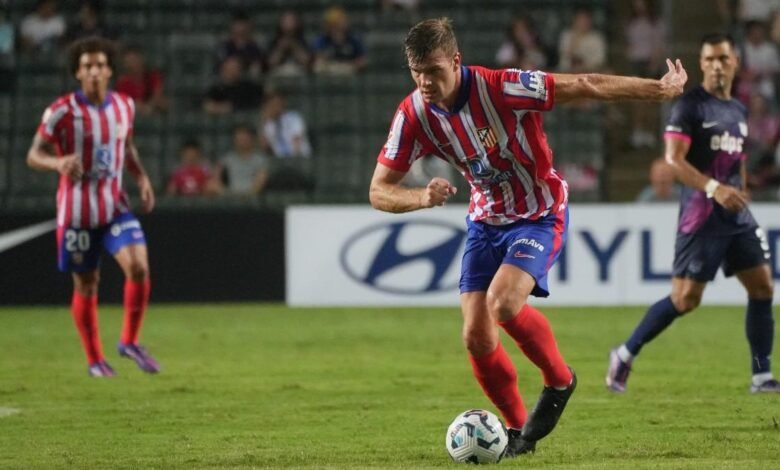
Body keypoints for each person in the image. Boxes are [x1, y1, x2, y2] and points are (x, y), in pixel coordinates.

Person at [369, 17, 687, 457]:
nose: (425, 82)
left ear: (457, 62)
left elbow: (586, 84)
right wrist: (420, 197)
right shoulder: (414, 114)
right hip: (485, 222)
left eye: (435, 71)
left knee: (503, 303)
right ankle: (519, 433)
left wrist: (658, 89)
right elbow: (379, 190)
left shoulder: (502, 87)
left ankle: (560, 379)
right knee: (475, 337)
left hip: (539, 213)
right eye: (417, 72)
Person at [606, 33, 779, 394]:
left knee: (762, 286)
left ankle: (762, 376)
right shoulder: (690, 107)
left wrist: (740, 187)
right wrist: (716, 189)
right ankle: (624, 353)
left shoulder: (739, 109)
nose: (717, 65)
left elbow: (738, 157)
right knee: (686, 299)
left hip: (736, 215)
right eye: (711, 59)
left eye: (723, 59)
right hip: (702, 216)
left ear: (735, 64)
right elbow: (673, 161)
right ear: (702, 64)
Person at [26, 37, 160, 377]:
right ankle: (95, 360)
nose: (95, 71)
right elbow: (33, 154)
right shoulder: (62, 111)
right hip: (76, 213)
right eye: (87, 66)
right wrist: (56, 164)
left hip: (114, 205)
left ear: (110, 69)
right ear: (78, 73)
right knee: (88, 284)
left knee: (139, 267)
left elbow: (126, 147)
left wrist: (141, 178)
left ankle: (129, 341)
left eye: (100, 64)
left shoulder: (124, 107)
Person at [210, 125, 270, 196]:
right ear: (234, 140)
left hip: (252, 197)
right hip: (230, 196)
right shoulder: (228, 158)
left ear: (252, 139)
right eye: (239, 138)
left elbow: (260, 183)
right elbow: (215, 177)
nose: (242, 141)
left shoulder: (260, 159)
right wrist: (225, 191)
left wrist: (247, 194)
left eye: (245, 138)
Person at [115, 46, 168, 115]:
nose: (132, 64)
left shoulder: (152, 76)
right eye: (129, 61)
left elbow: (157, 95)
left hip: (154, 113)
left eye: (134, 60)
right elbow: (127, 104)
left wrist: (150, 106)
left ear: (141, 59)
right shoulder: (123, 83)